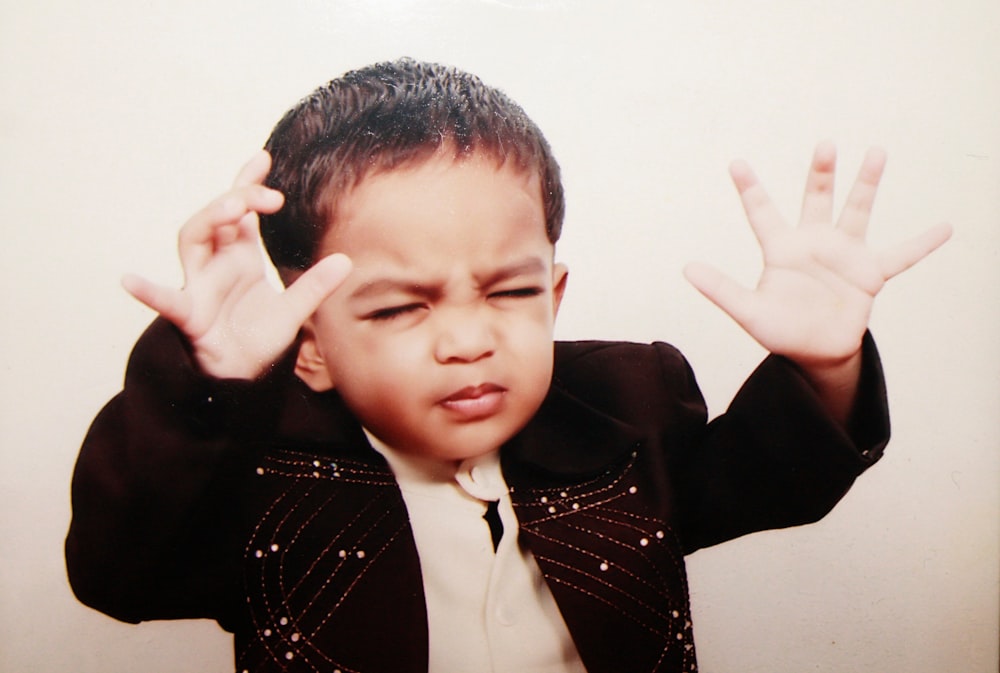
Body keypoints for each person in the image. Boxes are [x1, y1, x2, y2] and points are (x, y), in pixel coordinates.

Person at [65, 58, 951, 673]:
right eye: (400, 307)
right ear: (308, 342)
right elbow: (119, 573)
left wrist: (823, 362)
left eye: (508, 293)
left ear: (555, 296)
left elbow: (773, 479)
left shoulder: (625, 407)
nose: (466, 339)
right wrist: (208, 381)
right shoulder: (255, 474)